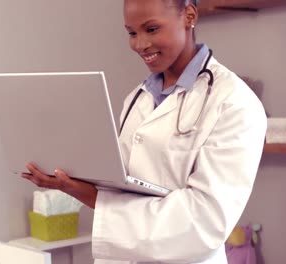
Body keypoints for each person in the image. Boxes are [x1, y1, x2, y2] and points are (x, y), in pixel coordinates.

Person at [22, 0, 267, 263]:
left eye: (151, 29)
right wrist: (73, 181)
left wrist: (94, 198)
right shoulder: (136, 99)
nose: (139, 44)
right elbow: (124, 183)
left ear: (189, 16)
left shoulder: (234, 102)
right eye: (132, 32)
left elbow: (206, 222)